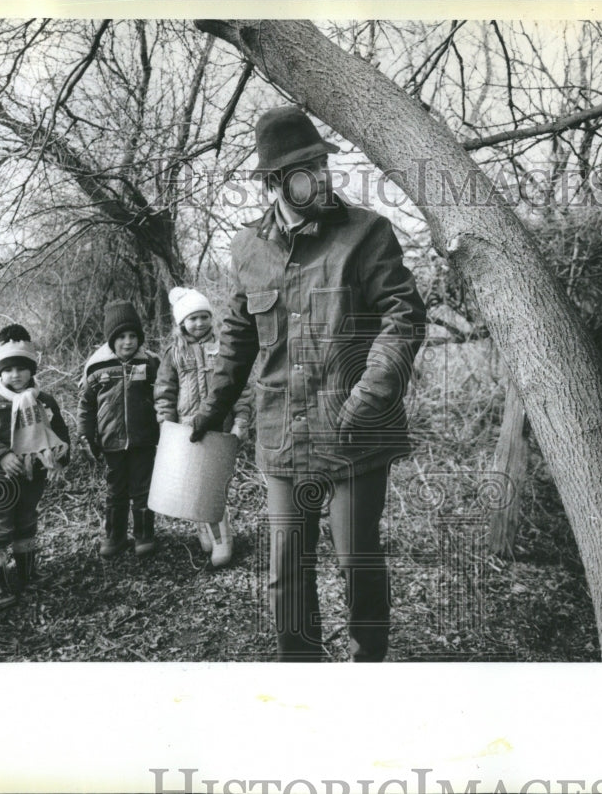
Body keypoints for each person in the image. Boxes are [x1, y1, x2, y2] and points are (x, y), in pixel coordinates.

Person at [189, 105, 427, 661]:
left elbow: (404, 314)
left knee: (356, 560)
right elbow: (238, 337)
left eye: (322, 166)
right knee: (286, 570)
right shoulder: (247, 249)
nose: (320, 178)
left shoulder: (367, 233)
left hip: (355, 434)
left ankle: (367, 663)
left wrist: (373, 389)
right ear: (275, 184)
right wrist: (212, 408)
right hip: (282, 434)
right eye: (304, 170)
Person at [0, 325, 70, 607]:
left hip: (31, 475)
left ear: (32, 370)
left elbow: (58, 433)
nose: (15, 375)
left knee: (26, 522)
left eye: (22, 368)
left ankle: (27, 572)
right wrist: (1, 455)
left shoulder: (43, 400)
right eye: (8, 369)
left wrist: (59, 459)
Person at [154, 286, 252, 567]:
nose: (199, 323)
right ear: (181, 322)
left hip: (218, 429)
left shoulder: (223, 348)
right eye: (192, 319)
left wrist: (241, 420)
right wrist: (166, 425)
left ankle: (223, 539)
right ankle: (203, 527)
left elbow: (239, 387)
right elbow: (165, 392)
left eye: (203, 317)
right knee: (192, 486)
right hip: (186, 431)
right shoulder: (174, 353)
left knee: (213, 487)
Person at [79, 300, 160, 559]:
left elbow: (163, 396)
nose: (128, 342)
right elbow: (86, 405)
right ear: (111, 340)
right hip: (111, 441)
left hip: (143, 440)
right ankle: (115, 536)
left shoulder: (150, 363)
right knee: (115, 490)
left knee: (143, 488)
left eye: (133, 336)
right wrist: (85, 434)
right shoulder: (97, 367)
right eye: (121, 337)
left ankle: (144, 535)